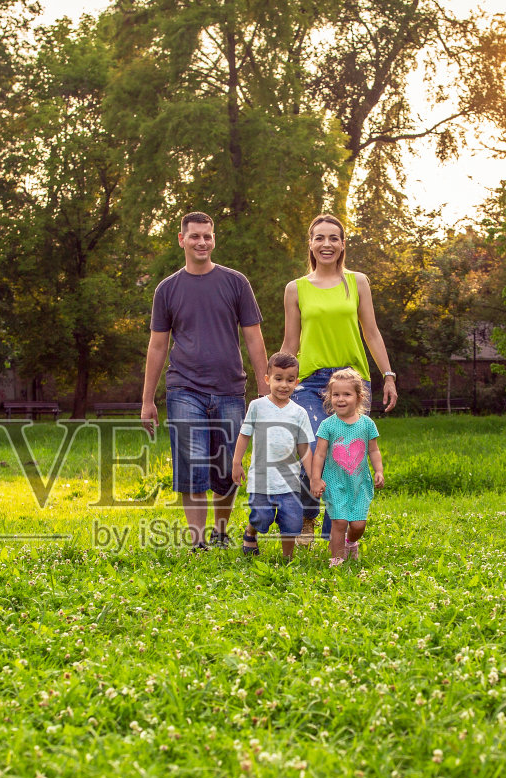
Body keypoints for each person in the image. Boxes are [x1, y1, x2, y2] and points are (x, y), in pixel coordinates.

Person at [142, 212, 270, 549]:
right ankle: (198, 542)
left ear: (214, 239)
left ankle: (221, 532)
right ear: (181, 239)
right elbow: (157, 346)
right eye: (195, 236)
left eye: (207, 236)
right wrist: (147, 399)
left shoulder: (236, 282)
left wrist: (265, 386)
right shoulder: (167, 289)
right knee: (192, 465)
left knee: (227, 467)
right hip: (184, 388)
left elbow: (254, 337)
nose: (202, 242)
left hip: (230, 389)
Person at [280, 214, 397, 544]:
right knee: (312, 449)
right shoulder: (296, 289)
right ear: (311, 244)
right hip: (309, 381)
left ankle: (337, 536)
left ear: (343, 244)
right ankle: (307, 514)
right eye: (320, 238)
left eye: (333, 238)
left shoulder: (357, 282)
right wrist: (276, 382)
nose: (326, 244)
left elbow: (371, 332)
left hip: (352, 381)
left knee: (347, 459)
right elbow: (290, 341)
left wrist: (388, 375)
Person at [230, 352, 314, 558]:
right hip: (261, 480)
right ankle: (251, 531)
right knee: (261, 518)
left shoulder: (299, 413)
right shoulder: (257, 406)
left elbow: (304, 448)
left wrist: (313, 477)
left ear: (297, 383)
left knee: (292, 522)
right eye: (278, 379)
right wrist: (236, 463)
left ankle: (287, 557)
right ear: (267, 379)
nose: (284, 385)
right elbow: (244, 435)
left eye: (290, 380)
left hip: (289, 481)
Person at [310, 368, 384, 568]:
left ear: (359, 397)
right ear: (330, 397)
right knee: (339, 522)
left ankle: (350, 543)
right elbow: (320, 454)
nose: (340, 399)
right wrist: (315, 479)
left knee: (358, 525)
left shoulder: (367, 424)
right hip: (335, 482)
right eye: (336, 394)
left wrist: (379, 471)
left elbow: (374, 450)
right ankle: (336, 560)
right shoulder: (328, 425)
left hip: (359, 484)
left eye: (346, 394)